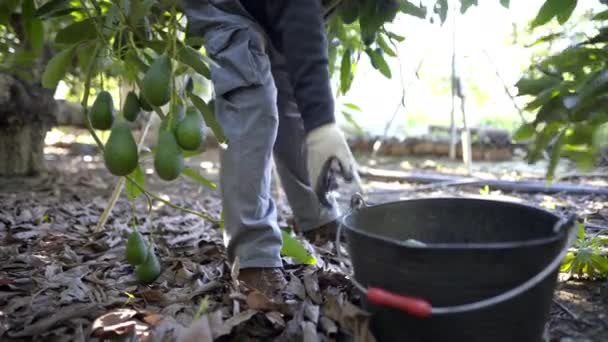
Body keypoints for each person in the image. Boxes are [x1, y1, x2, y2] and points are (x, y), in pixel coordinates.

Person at [182, 0, 359, 300]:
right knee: (252, 101)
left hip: (268, 10)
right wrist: (322, 124)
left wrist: (317, 124)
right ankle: (254, 256)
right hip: (226, 5)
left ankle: (317, 216)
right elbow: (298, 8)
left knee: (289, 99)